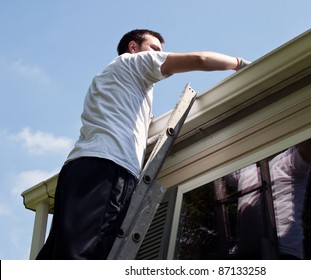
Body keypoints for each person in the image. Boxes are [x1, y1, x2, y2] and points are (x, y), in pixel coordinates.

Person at [36, 29, 250, 260]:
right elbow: (199, 59)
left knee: (58, 254)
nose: (159, 54)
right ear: (133, 47)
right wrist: (241, 64)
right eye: (154, 48)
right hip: (108, 168)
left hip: (79, 168)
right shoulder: (135, 61)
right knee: (84, 256)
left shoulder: (112, 80)